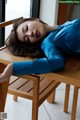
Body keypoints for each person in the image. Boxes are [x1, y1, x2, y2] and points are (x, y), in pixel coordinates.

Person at [0, 18, 80, 82]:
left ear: (35, 19)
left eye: (26, 28)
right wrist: (14, 67)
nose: (30, 34)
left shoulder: (60, 26)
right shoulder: (47, 43)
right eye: (27, 39)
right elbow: (57, 62)